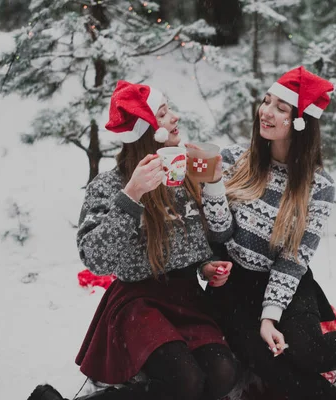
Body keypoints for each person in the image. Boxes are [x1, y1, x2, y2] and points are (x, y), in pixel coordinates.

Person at [200, 67, 336, 399]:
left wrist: (270, 316)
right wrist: (212, 186)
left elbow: (292, 260)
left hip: (288, 280)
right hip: (234, 286)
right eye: (266, 101)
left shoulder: (318, 187)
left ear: (300, 121)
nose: (266, 112)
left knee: (309, 353)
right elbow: (220, 234)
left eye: (280, 108)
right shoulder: (232, 159)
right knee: (274, 367)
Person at [28, 81, 238, 400]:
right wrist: (132, 195)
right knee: (186, 381)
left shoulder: (185, 175)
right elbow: (95, 259)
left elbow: (217, 235)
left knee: (222, 376)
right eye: (165, 113)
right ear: (149, 131)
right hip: (138, 303)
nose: (176, 117)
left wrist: (206, 265)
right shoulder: (110, 186)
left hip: (187, 298)